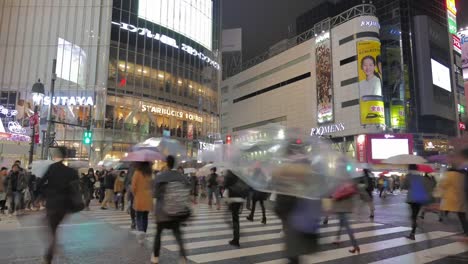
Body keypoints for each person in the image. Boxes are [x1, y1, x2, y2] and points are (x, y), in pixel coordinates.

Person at [36, 147, 80, 264]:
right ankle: (52, 249)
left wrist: (42, 195)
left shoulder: (52, 168)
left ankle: (49, 254)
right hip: (65, 205)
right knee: (54, 228)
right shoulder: (72, 171)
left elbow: (40, 184)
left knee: (51, 229)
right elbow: (76, 189)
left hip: (52, 203)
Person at [152, 155, 189, 263]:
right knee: (178, 234)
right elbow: (188, 189)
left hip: (162, 212)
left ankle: (155, 257)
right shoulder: (181, 176)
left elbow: (155, 194)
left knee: (158, 233)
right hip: (176, 211)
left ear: (166, 163)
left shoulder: (160, 176)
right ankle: (183, 257)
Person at [403, 164, 435, 240]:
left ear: (409, 169)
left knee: (413, 216)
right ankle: (416, 224)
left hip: (412, 199)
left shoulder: (408, 176)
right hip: (421, 198)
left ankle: (413, 232)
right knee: (415, 214)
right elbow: (429, 187)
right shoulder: (421, 177)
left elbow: (404, 186)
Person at [439, 166, 468, 236]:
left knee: (446, 207)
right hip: (462, 197)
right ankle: (466, 230)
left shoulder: (450, 174)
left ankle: (441, 217)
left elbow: (443, 185)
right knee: (462, 216)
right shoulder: (464, 174)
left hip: (452, 197)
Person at [223, 169, 249, 247]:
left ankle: (236, 239)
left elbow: (225, 185)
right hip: (240, 198)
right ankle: (236, 238)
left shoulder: (230, 173)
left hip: (233, 199)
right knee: (235, 218)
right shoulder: (241, 173)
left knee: (235, 219)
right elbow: (246, 186)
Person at [332, 183, 360, 254]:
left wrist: (335, 198)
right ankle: (337, 239)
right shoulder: (350, 188)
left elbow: (337, 197)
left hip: (341, 210)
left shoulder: (344, 189)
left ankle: (355, 246)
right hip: (344, 210)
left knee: (348, 228)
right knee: (341, 225)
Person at [131, 162, 153, 244]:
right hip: (148, 198)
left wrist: (134, 194)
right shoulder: (150, 174)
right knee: (145, 217)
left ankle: (140, 232)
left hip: (139, 198)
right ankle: (143, 233)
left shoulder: (137, 173)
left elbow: (133, 187)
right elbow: (152, 186)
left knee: (139, 216)